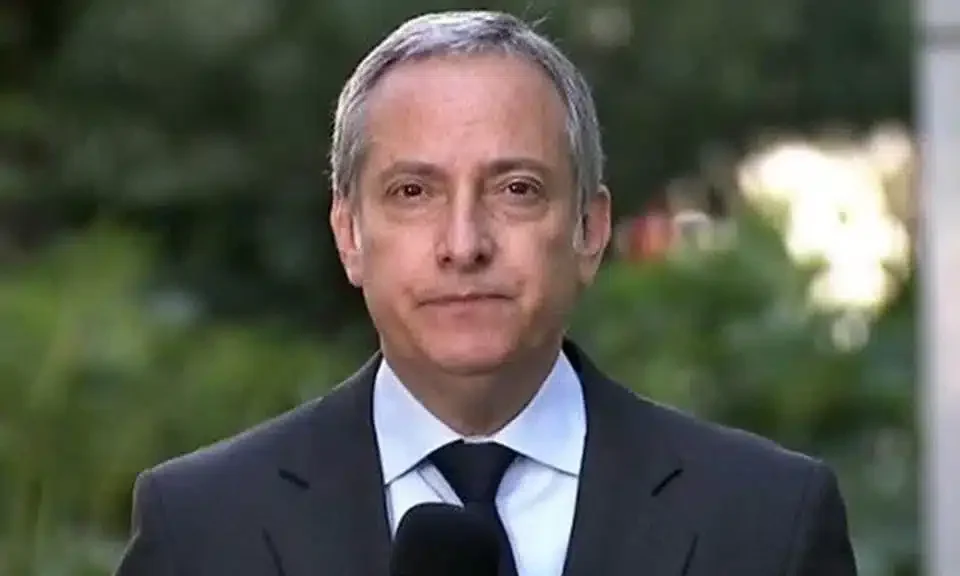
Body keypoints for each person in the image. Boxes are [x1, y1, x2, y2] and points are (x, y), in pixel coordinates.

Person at [114, 10, 858, 576]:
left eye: (516, 189)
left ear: (590, 229)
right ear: (348, 235)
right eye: (413, 192)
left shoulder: (768, 522)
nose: (464, 243)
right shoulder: (200, 528)